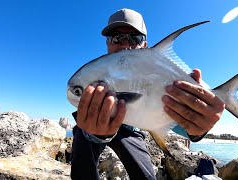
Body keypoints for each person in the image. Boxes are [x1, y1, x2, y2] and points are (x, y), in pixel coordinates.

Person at [71, 8, 225, 180]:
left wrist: (201, 119)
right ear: (108, 43)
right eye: (116, 38)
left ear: (145, 45)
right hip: (93, 125)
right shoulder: (96, 73)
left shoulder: (159, 73)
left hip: (131, 131)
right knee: (82, 136)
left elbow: (185, 123)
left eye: (134, 38)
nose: (124, 44)